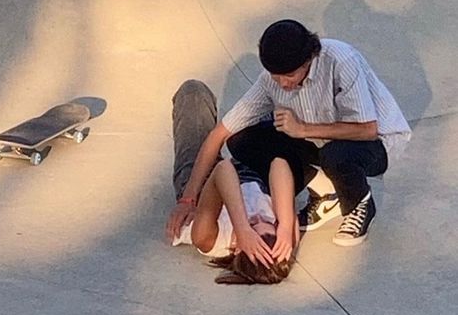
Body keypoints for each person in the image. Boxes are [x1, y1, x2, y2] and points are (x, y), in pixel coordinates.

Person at [167, 19, 411, 261]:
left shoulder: (340, 60)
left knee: (193, 92)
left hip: (375, 142)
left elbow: (369, 129)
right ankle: (332, 194)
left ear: (309, 59)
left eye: (289, 75)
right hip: (306, 152)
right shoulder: (282, 227)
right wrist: (285, 224)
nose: (283, 84)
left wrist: (189, 199)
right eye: (276, 77)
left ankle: (352, 199)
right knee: (246, 140)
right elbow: (259, 156)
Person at [169, 80, 298, 278]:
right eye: (267, 221)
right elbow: (278, 165)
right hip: (253, 175)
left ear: (238, 248)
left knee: (193, 92)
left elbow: (223, 170)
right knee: (275, 95)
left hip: (203, 188)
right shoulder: (283, 239)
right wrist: (286, 226)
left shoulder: (207, 239)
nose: (258, 216)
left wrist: (242, 227)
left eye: (253, 222)